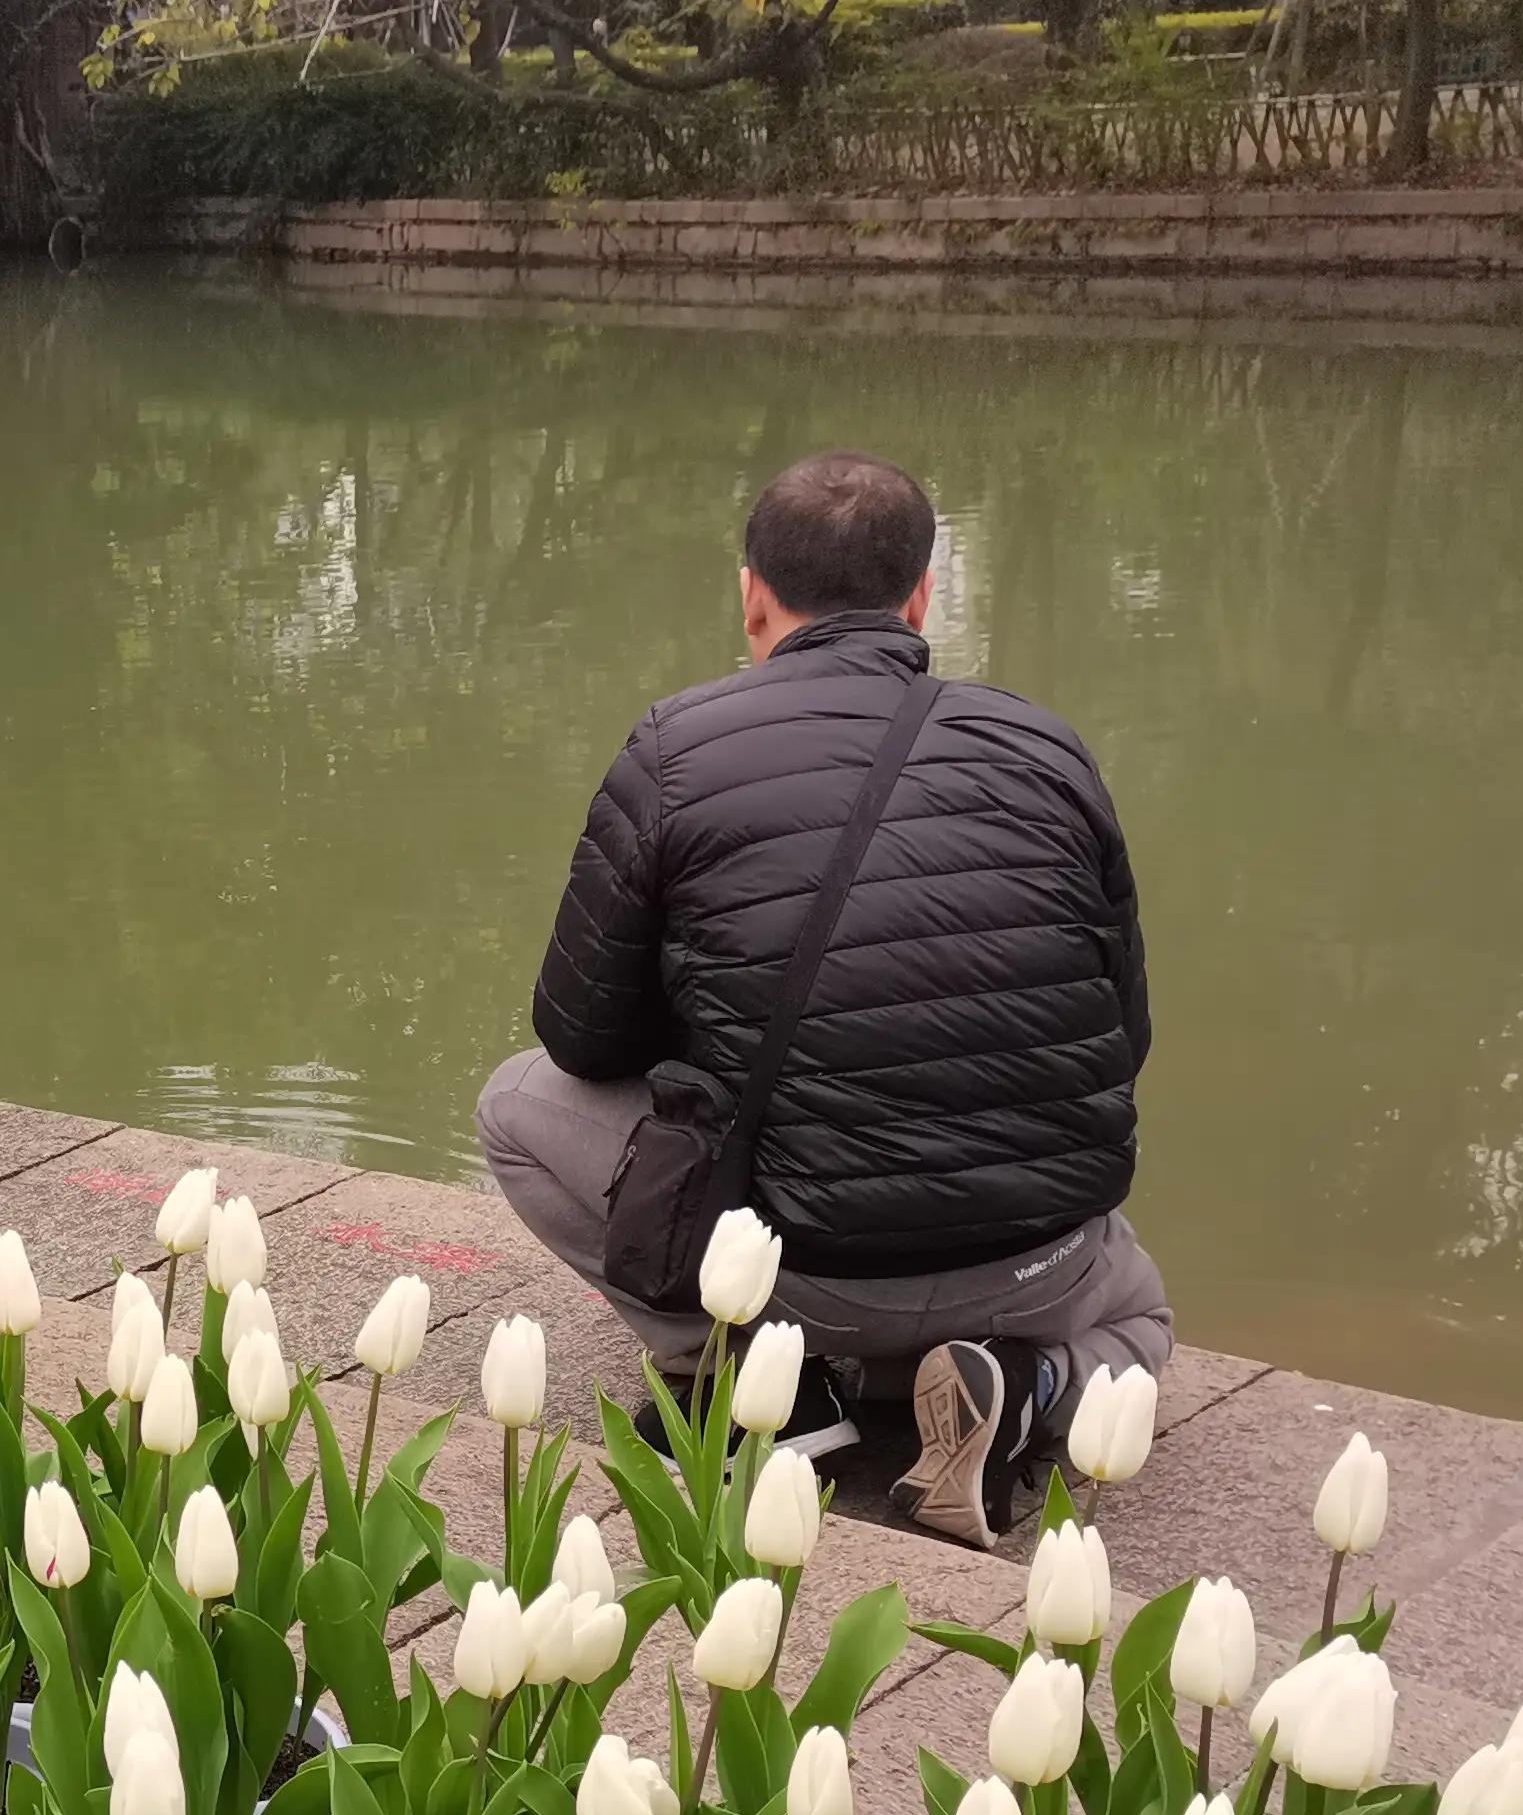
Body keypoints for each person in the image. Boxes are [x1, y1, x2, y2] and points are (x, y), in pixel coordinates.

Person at [477, 450, 1168, 1545]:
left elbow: (578, 1034)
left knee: (514, 1105)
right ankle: (1026, 1385)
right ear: (922, 596)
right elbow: (1123, 1036)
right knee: (1140, 1315)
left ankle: (761, 1384)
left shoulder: (675, 748)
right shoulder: (1049, 750)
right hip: (1034, 1264)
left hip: (805, 1276)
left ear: (752, 596)